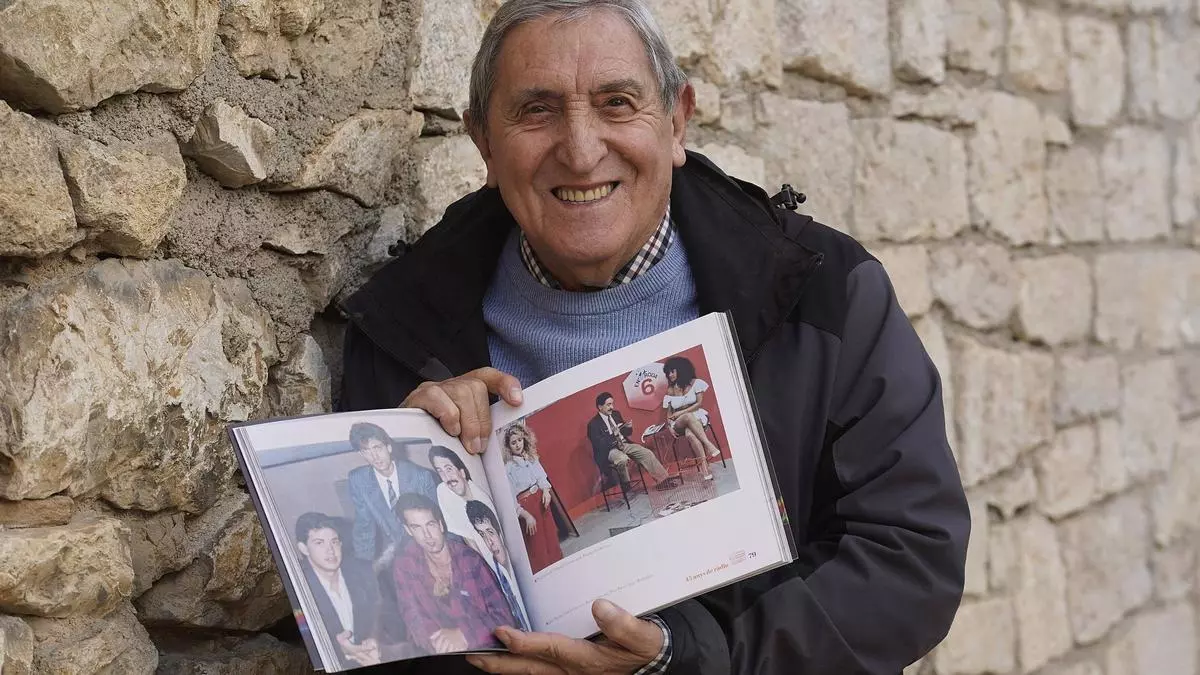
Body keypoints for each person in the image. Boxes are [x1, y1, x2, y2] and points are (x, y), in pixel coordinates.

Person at [339, 0, 969, 673]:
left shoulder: (823, 292)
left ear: (676, 121)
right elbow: (368, 617)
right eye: (537, 110)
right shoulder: (405, 331)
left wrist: (687, 656)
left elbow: (909, 560)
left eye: (616, 103)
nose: (581, 151)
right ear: (484, 144)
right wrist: (411, 451)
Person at [391, 493, 518, 655]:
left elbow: (505, 619)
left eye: (430, 524)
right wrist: (439, 642)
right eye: (417, 528)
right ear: (408, 530)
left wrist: (464, 635)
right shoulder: (405, 566)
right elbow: (413, 619)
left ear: (441, 524)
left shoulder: (470, 560)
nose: (427, 535)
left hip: (488, 652)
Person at [294, 512, 382, 669]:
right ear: (304, 548)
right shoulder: (298, 586)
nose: (330, 550)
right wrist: (338, 650)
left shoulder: (362, 571)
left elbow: (383, 613)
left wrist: (375, 639)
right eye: (319, 543)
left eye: (334, 542)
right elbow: (302, 642)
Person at [346, 422, 440, 568]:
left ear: (388, 447)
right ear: (361, 454)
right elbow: (364, 526)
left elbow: (438, 521)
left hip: (426, 548)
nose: (375, 456)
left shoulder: (420, 476)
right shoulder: (358, 480)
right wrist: (364, 568)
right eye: (367, 451)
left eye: (378, 448)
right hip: (393, 555)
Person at [500, 424, 563, 572]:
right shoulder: (508, 468)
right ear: (508, 446)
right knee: (537, 544)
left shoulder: (532, 458)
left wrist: (546, 491)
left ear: (524, 439)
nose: (518, 445)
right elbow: (511, 498)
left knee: (551, 537)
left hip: (542, 501)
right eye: (513, 442)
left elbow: (541, 478)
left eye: (519, 440)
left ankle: (559, 567)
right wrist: (526, 516)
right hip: (527, 507)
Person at [466, 499, 532, 631]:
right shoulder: (492, 574)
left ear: (499, 531)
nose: (489, 542)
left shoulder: (519, 558)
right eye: (483, 535)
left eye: (490, 532)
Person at [586, 392, 674, 490]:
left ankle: (663, 481)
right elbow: (600, 445)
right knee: (622, 459)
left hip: (624, 444)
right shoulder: (593, 425)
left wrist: (628, 427)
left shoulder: (615, 414)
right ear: (600, 407)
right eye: (608, 405)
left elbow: (627, 433)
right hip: (610, 450)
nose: (612, 407)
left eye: (612, 404)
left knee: (646, 453)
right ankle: (626, 486)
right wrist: (613, 435)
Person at [429, 444, 499, 562]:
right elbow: (465, 537)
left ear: (462, 472)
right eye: (440, 471)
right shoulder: (443, 490)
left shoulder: (483, 499)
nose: (447, 478)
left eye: (449, 469)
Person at [660, 355, 721, 481]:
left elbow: (699, 404)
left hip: (697, 417)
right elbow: (669, 414)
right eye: (668, 373)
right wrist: (669, 426)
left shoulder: (696, 383)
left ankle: (704, 468)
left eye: (672, 371)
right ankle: (709, 445)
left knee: (690, 435)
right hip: (679, 423)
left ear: (680, 369)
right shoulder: (670, 390)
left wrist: (681, 412)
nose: (670, 375)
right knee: (687, 416)